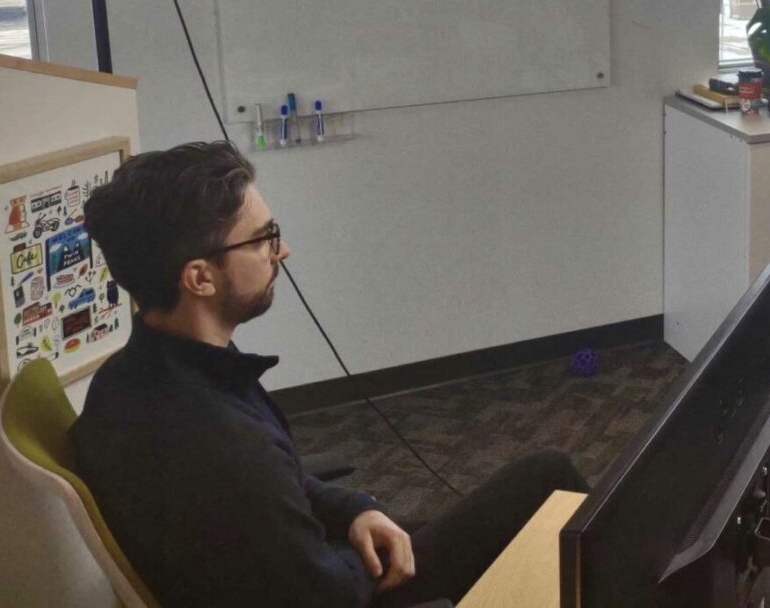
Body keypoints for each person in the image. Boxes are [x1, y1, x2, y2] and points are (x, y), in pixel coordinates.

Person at [71, 142, 587, 608]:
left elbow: (280, 489)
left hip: (302, 565)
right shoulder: (224, 443)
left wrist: (357, 509)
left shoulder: (128, 377)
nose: (283, 251)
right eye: (263, 240)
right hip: (342, 593)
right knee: (552, 485)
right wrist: (361, 552)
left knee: (547, 480)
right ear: (200, 278)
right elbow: (325, 593)